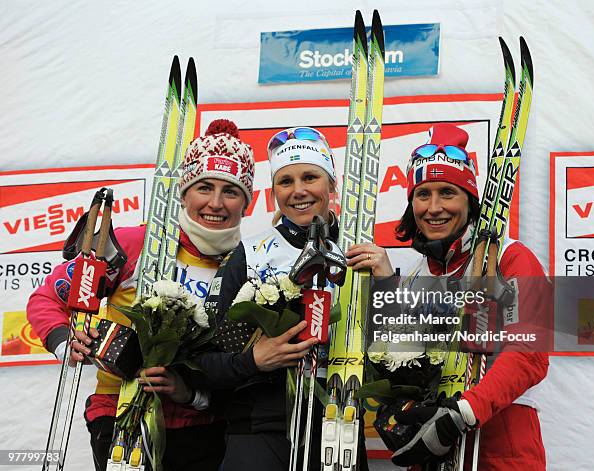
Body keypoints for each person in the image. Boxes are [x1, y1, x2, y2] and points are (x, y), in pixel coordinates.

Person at [27, 119, 256, 471]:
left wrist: (192, 394)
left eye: (230, 191)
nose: (215, 203)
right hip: (119, 413)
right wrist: (65, 341)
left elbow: (235, 361)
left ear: (247, 202)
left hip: (202, 424)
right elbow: (47, 299)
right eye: (204, 187)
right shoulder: (135, 244)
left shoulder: (248, 266)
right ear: (183, 192)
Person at [348, 123, 550, 470]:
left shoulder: (510, 258)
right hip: (431, 450)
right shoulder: (412, 275)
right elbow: (401, 365)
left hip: (499, 443)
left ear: (469, 200)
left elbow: (529, 354)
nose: (434, 207)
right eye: (423, 194)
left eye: (447, 192)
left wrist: (463, 412)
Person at [178, 127, 369, 471]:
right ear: (274, 192)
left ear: (332, 185)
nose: (298, 191)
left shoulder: (361, 254)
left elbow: (394, 356)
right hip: (260, 431)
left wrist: (384, 283)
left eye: (310, 177)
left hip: (339, 432)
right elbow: (201, 363)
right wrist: (253, 360)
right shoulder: (249, 256)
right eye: (285, 181)